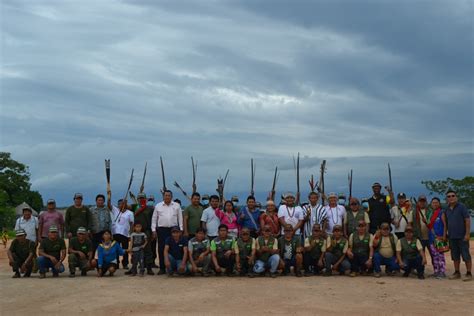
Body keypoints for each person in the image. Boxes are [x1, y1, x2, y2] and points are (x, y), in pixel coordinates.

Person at [151, 190, 184, 275]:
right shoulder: (158, 206)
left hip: (174, 230)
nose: (167, 197)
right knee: (161, 248)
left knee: (174, 248)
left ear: (171, 196)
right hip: (162, 230)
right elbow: (154, 219)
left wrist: (181, 229)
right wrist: (153, 230)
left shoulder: (177, 206)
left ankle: (173, 267)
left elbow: (180, 218)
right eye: (166, 195)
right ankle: (162, 268)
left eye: (169, 195)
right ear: (163, 196)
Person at [444, 190, 471, 282]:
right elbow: (446, 223)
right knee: (455, 256)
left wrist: (467, 234)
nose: (451, 197)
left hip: (462, 236)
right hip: (452, 236)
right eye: (448, 196)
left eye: (453, 195)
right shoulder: (446, 209)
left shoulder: (462, 207)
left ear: (456, 197)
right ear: (446, 199)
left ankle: (469, 273)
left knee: (466, 255)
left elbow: (467, 220)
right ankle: (457, 272)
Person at [130, 193, 155, 275]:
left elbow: (153, 220)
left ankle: (149, 268)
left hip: (146, 231)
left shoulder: (150, 208)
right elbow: (124, 206)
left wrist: (153, 232)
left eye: (143, 198)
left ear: (146, 199)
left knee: (148, 250)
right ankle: (133, 268)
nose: (141, 199)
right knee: (135, 249)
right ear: (137, 199)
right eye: (139, 198)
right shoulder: (134, 207)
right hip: (136, 231)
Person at [111, 199, 134, 269]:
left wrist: (130, 234)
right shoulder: (115, 210)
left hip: (125, 234)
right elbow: (109, 205)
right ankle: (116, 263)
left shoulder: (130, 213)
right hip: (115, 233)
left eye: (122, 203)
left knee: (125, 249)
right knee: (115, 249)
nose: (121, 205)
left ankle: (125, 263)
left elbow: (132, 224)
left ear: (125, 204)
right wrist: (109, 196)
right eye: (119, 204)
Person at [427, 197, 447, 279]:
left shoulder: (441, 212)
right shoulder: (430, 213)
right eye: (433, 202)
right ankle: (436, 271)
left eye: (436, 202)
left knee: (440, 255)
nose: (435, 204)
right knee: (434, 255)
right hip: (431, 237)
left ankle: (442, 271)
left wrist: (444, 235)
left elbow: (445, 224)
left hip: (440, 237)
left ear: (439, 204)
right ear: (431, 204)